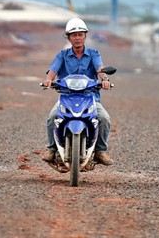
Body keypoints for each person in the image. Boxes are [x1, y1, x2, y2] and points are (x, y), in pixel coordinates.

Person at [41, 18, 113, 166]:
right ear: (68, 37)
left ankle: (100, 151)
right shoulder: (62, 55)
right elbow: (53, 70)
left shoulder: (94, 54)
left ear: (85, 36)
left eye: (80, 34)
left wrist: (104, 79)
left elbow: (100, 68)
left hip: (90, 97)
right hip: (67, 97)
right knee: (52, 116)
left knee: (104, 118)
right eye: (74, 35)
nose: (78, 38)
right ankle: (52, 149)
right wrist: (49, 80)